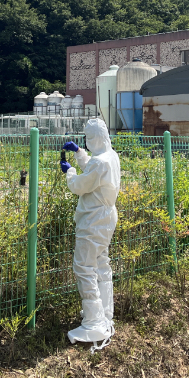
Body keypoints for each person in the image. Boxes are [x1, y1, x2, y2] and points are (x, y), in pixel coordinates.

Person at [60, 118, 120, 352]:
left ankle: (94, 322)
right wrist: (79, 154)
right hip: (106, 216)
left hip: (93, 219)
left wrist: (70, 172)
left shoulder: (99, 164)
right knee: (101, 263)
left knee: (84, 267)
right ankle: (105, 313)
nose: (86, 141)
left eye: (87, 138)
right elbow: (95, 169)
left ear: (94, 138)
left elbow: (80, 186)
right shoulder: (111, 156)